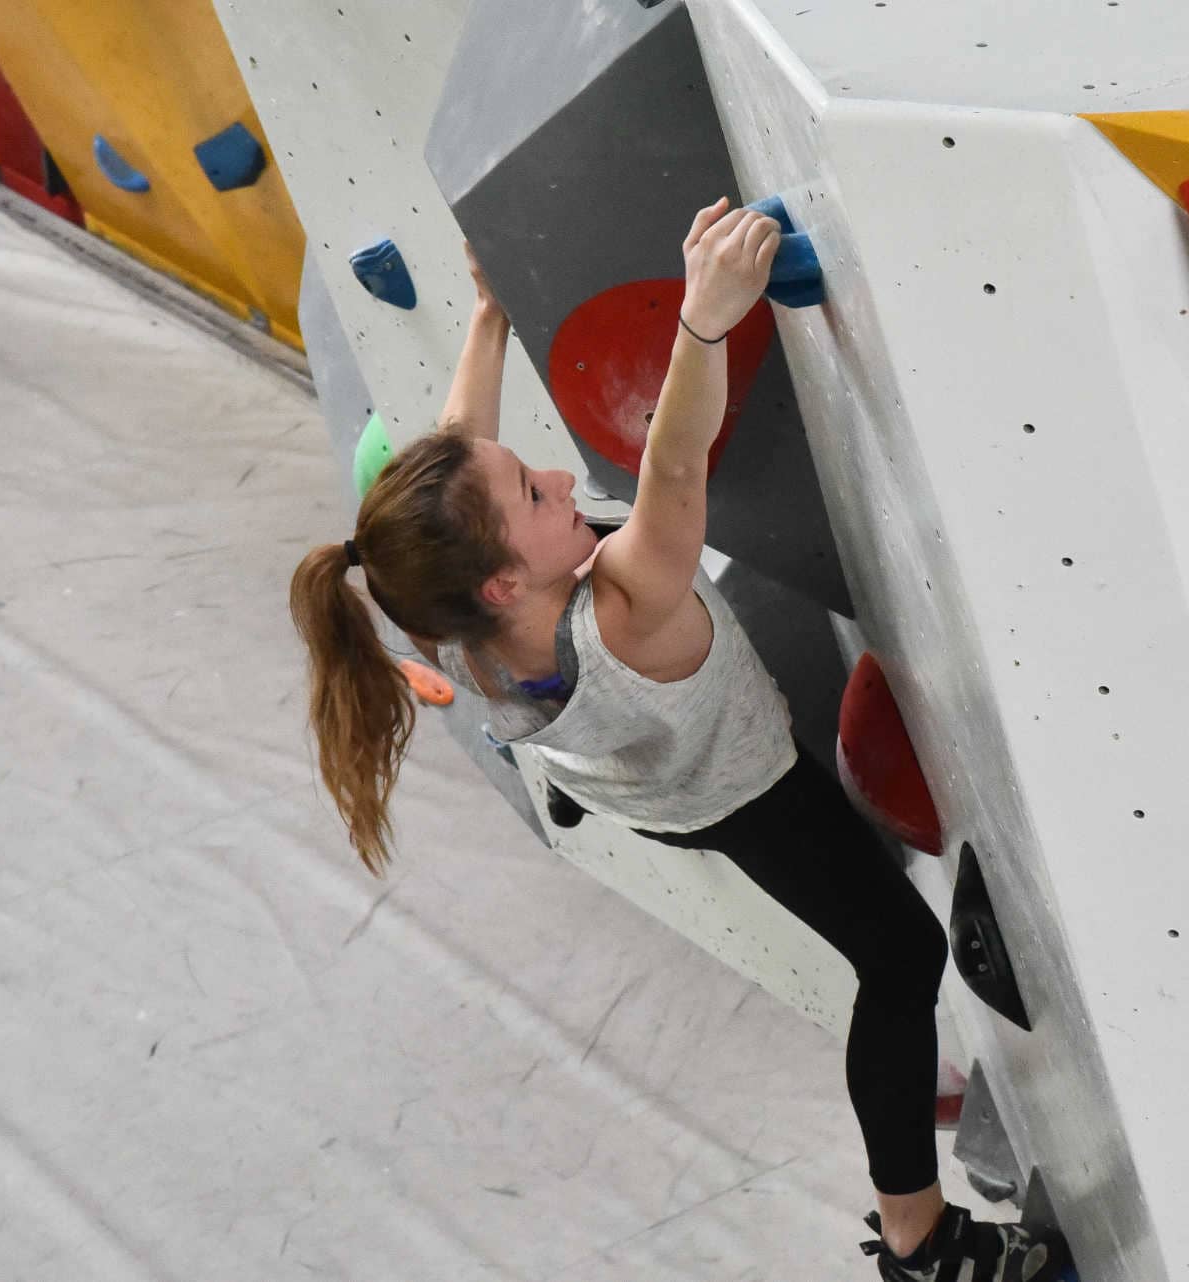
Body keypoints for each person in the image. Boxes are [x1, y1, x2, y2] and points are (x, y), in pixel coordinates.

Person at [288, 199, 1073, 1282]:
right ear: (508, 580)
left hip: (632, 767)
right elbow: (672, 471)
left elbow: (462, 450)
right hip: (744, 789)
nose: (561, 477)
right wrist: (704, 322)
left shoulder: (451, 608)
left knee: (831, 885)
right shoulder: (628, 603)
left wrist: (488, 316)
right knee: (900, 956)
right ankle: (919, 1238)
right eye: (535, 492)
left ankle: (571, 781)